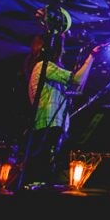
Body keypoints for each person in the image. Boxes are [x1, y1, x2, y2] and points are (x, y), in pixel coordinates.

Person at [20, 30, 99, 188]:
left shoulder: (46, 69)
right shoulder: (44, 66)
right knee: (46, 170)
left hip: (51, 125)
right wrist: (92, 57)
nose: (64, 51)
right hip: (49, 125)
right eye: (62, 48)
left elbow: (77, 88)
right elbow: (76, 80)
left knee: (50, 170)